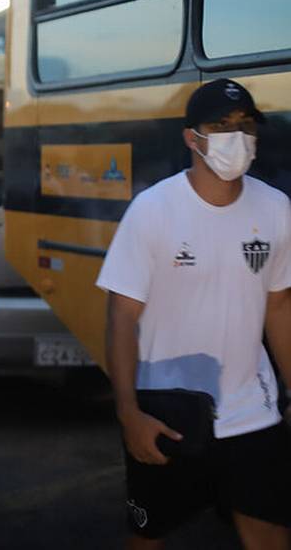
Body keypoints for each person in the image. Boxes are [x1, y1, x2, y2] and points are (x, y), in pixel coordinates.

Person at [98, 79, 291, 549]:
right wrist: (128, 414)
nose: (236, 137)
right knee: (149, 537)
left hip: (253, 414)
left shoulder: (276, 208)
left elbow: (280, 307)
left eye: (245, 125)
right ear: (192, 137)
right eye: (220, 126)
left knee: (269, 534)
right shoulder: (154, 210)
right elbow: (122, 317)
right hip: (168, 411)